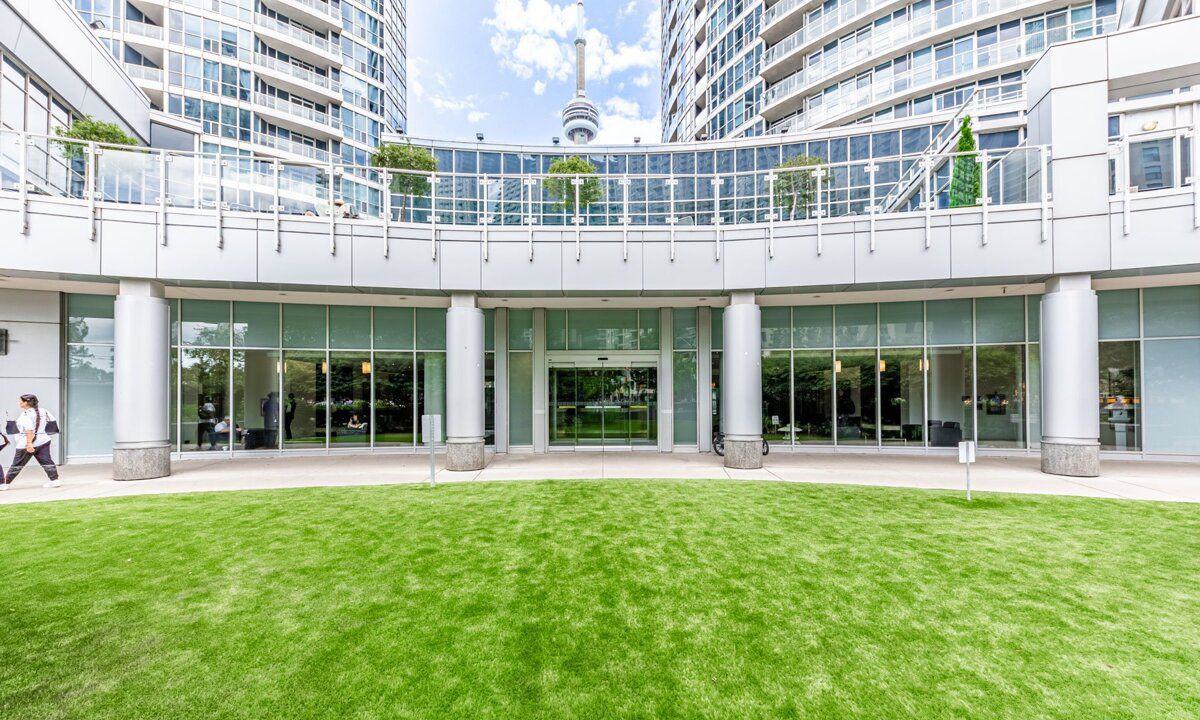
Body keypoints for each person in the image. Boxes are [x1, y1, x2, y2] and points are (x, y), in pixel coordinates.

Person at [1, 394, 60, 489]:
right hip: (43, 441)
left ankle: (5, 484)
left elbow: (29, 430)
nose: (20, 403)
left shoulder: (26, 414)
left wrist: (29, 444)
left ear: (27, 402)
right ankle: (55, 480)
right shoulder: (44, 411)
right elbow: (52, 421)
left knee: (17, 464)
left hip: (26, 444)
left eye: (22, 401)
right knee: (46, 461)